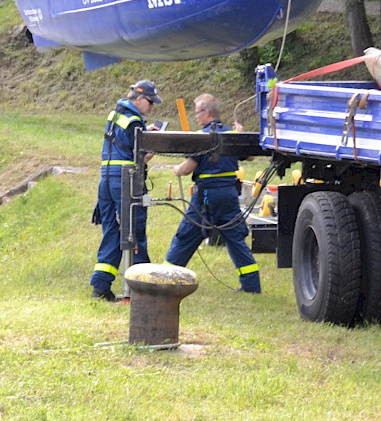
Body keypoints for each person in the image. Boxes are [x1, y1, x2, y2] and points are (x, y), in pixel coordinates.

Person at [165, 94, 261, 292]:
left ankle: (166, 279)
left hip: (206, 197)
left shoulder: (202, 138)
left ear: (206, 112)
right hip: (229, 195)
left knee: (186, 235)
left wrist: (176, 170)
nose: (196, 117)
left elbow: (187, 167)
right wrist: (240, 135)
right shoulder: (231, 134)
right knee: (235, 238)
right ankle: (251, 285)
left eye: (198, 113)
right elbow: (250, 156)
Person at [90, 80, 161, 300]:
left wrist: (144, 131)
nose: (151, 107)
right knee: (134, 231)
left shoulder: (117, 113)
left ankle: (100, 287)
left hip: (107, 180)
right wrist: (153, 147)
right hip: (126, 180)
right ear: (138, 99)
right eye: (149, 102)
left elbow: (122, 140)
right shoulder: (134, 120)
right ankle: (142, 288)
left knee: (112, 231)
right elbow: (141, 155)